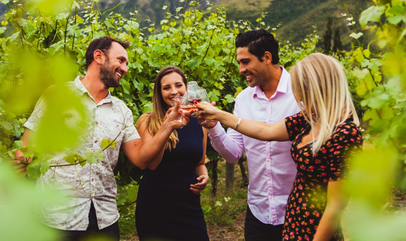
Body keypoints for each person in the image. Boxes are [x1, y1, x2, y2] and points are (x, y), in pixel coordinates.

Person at [14, 37, 185, 241]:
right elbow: (26, 147)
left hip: (105, 219)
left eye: (127, 63)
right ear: (98, 56)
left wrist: (167, 125)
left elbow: (140, 158)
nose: (125, 68)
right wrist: (19, 161)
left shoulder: (121, 110)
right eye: (121, 60)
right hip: (58, 218)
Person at [196, 53, 363, 240]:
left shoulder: (345, 134)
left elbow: (335, 206)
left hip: (315, 229)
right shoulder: (309, 119)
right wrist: (217, 115)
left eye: (301, 89)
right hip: (294, 222)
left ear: (317, 88)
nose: (298, 96)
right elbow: (266, 132)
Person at [199, 30, 299, 240]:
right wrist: (214, 126)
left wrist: (220, 114)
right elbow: (233, 154)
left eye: (245, 62)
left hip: (298, 208)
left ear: (267, 57)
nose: (241, 69)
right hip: (258, 211)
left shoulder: (301, 92)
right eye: (239, 63)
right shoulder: (243, 99)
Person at [135, 66, 209, 241]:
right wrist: (168, 124)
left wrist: (204, 177)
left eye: (178, 85)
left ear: (186, 88)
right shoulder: (148, 121)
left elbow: (199, 163)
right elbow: (152, 164)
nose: (174, 91)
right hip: (156, 207)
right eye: (166, 87)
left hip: (189, 206)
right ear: (159, 93)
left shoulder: (198, 122)